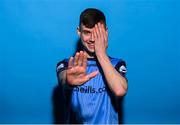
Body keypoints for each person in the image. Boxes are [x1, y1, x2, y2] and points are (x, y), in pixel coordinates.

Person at [56, 8, 128, 124]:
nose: (92, 39)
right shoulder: (67, 64)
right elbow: (63, 78)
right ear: (79, 32)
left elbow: (119, 90)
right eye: (87, 32)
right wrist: (68, 81)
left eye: (97, 33)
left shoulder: (116, 64)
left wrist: (101, 53)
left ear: (106, 33)